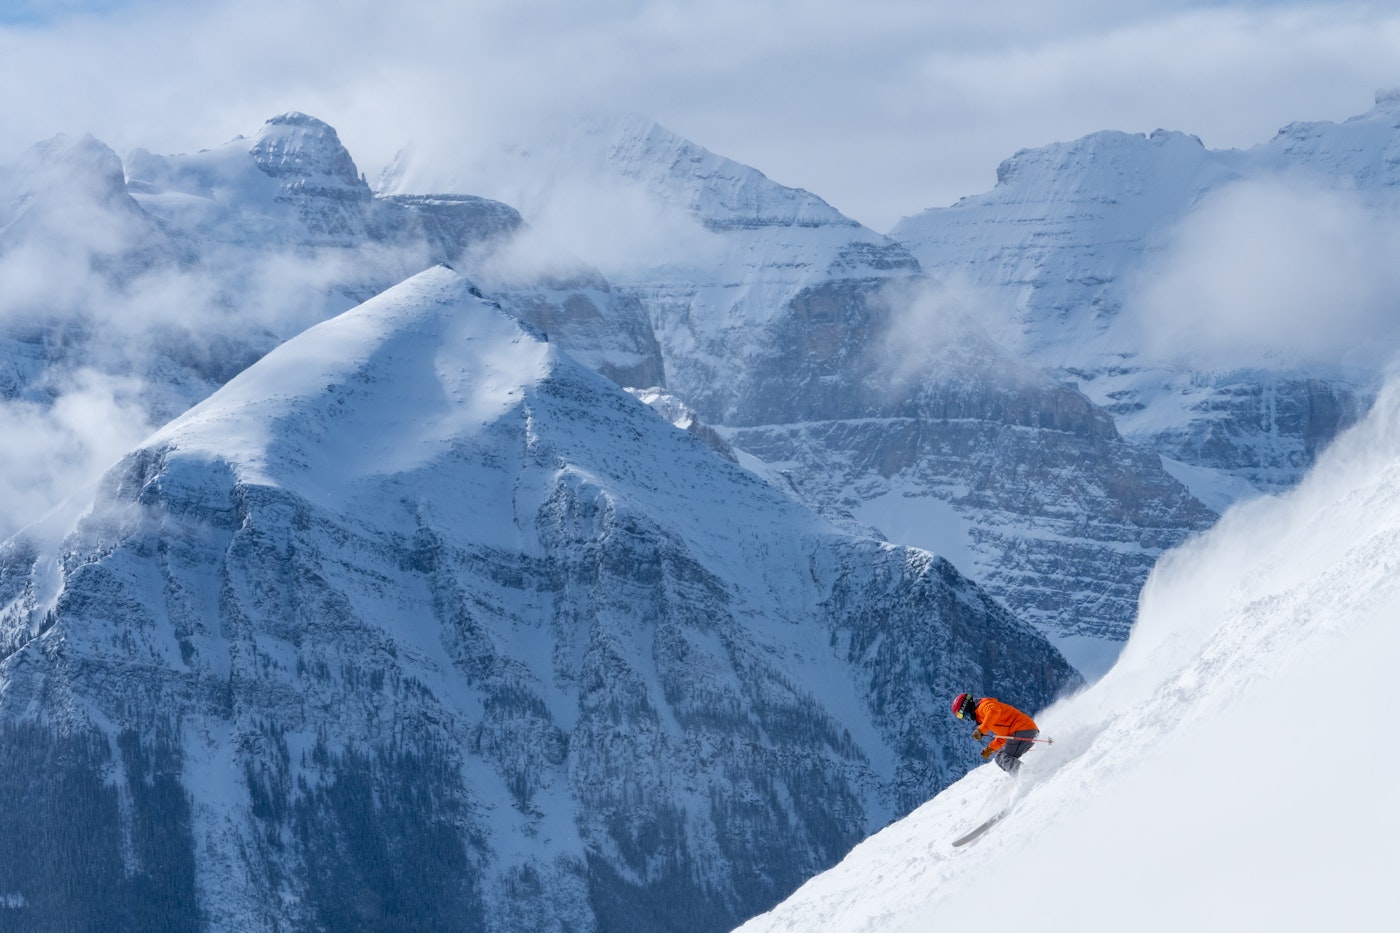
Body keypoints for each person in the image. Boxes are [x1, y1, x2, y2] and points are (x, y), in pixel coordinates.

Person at [952, 692, 1039, 776]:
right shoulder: (981, 714)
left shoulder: (983, 706)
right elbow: (1003, 735)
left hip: (1023, 729)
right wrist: (990, 748)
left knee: (1005, 757)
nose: (965, 718)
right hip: (1021, 731)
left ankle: (1026, 776)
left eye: (962, 715)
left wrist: (981, 730)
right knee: (999, 758)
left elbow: (993, 711)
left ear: (966, 707)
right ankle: (1023, 775)